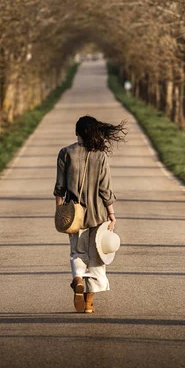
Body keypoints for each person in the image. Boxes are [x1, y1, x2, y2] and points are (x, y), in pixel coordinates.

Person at [54, 115, 126, 314]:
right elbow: (105, 189)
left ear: (76, 132)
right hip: (97, 215)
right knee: (96, 258)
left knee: (77, 252)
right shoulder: (100, 156)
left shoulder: (65, 153)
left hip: (74, 215)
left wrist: (59, 210)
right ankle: (88, 304)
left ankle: (77, 279)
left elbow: (59, 187)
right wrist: (111, 213)